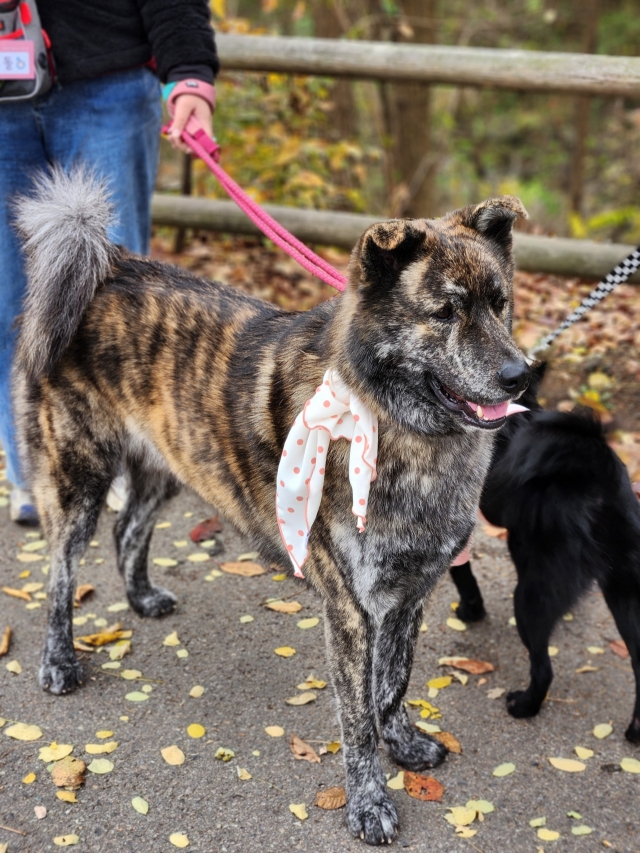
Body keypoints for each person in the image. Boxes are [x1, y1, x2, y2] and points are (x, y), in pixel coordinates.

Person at [0, 0, 219, 522]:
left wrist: (188, 72)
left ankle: (118, 466)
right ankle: (33, 472)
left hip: (109, 79)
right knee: (9, 302)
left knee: (116, 305)